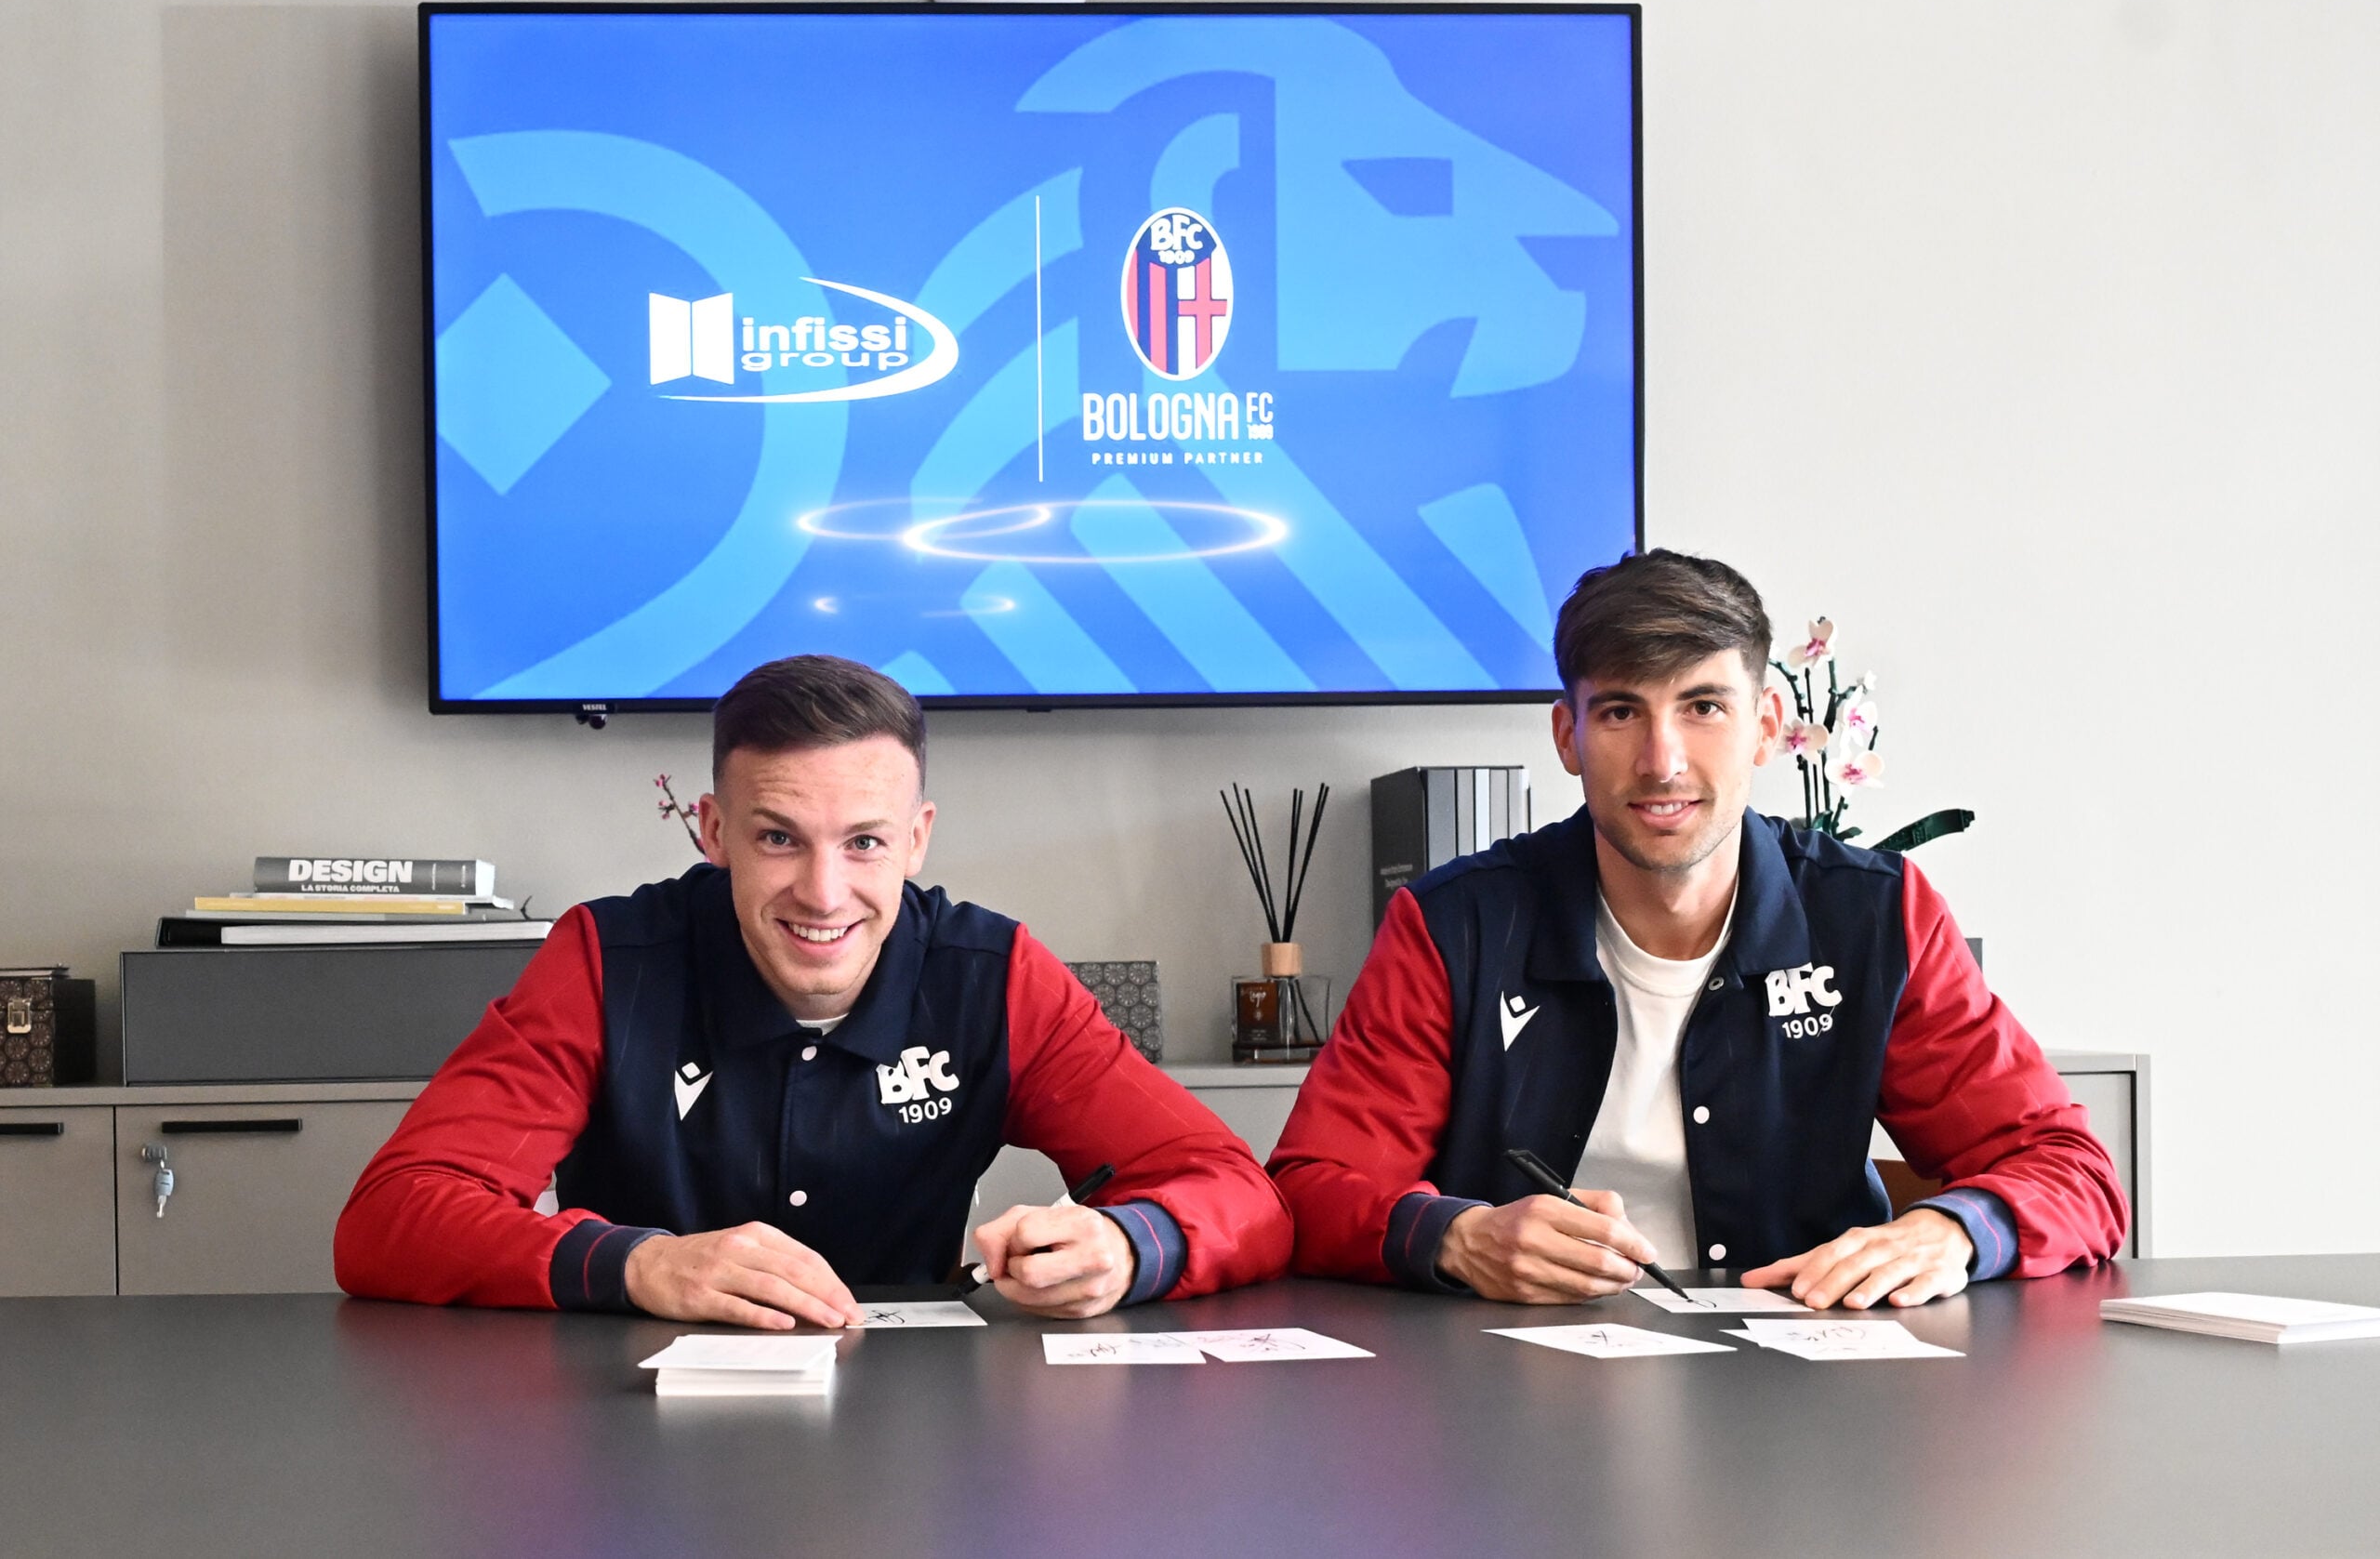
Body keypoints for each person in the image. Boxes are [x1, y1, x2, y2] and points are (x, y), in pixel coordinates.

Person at [1270, 549, 2126, 1310]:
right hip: (1507, 1389)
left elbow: (2071, 1168)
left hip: (1806, 1396)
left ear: (1766, 726)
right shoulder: (1453, 925)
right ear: (1568, 736)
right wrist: (1456, 1238)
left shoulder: (1873, 915)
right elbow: (1309, 1189)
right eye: (1620, 712)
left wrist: (1954, 1230)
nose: (1663, 761)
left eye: (1704, 706)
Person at [337, 656, 1291, 1327]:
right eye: (778, 838)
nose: (824, 894)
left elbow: (1238, 1192)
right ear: (713, 831)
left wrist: (1128, 1244)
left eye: (864, 842)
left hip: (915, 1425)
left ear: (917, 838)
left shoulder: (993, 974)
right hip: (630, 1424)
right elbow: (391, 1217)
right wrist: (640, 1262)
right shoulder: (606, 959)